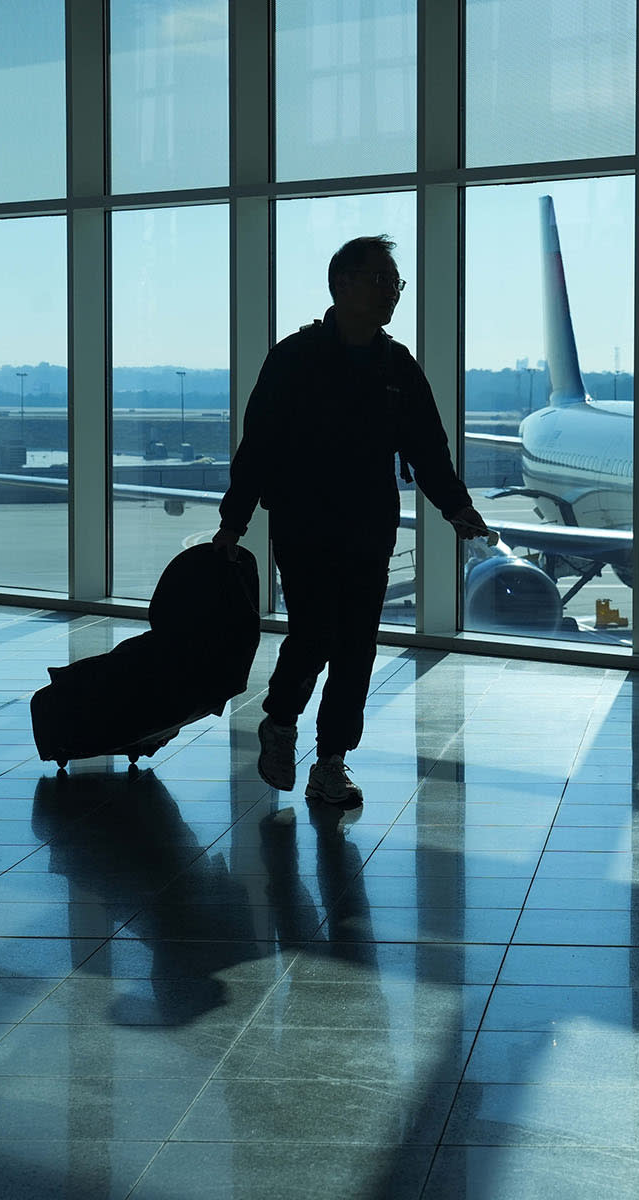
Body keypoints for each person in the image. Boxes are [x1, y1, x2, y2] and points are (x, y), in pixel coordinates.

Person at [213, 235, 491, 807]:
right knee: (315, 633)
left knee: (357, 646)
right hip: (304, 524)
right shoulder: (294, 358)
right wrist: (233, 522)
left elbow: (427, 448)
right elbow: (258, 446)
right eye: (383, 280)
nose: (393, 292)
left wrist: (456, 507)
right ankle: (281, 722)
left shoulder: (396, 366)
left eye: (396, 283)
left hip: (369, 528)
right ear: (343, 284)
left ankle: (332, 760)